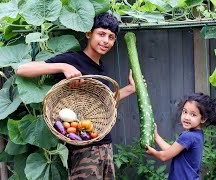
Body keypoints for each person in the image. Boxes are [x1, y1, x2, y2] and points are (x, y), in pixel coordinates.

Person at [17, 12, 136, 180]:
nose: (106, 41)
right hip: (83, 149)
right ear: (88, 34)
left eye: (111, 37)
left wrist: (130, 89)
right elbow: (23, 70)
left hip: (105, 144)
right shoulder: (73, 59)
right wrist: (63, 66)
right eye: (101, 34)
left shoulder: (101, 68)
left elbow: (104, 103)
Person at [146, 93, 216, 180]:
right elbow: (171, 151)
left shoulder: (188, 136)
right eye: (185, 112)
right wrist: (156, 136)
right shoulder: (198, 134)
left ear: (203, 119)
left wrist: (153, 152)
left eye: (193, 114)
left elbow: (164, 156)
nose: (186, 117)